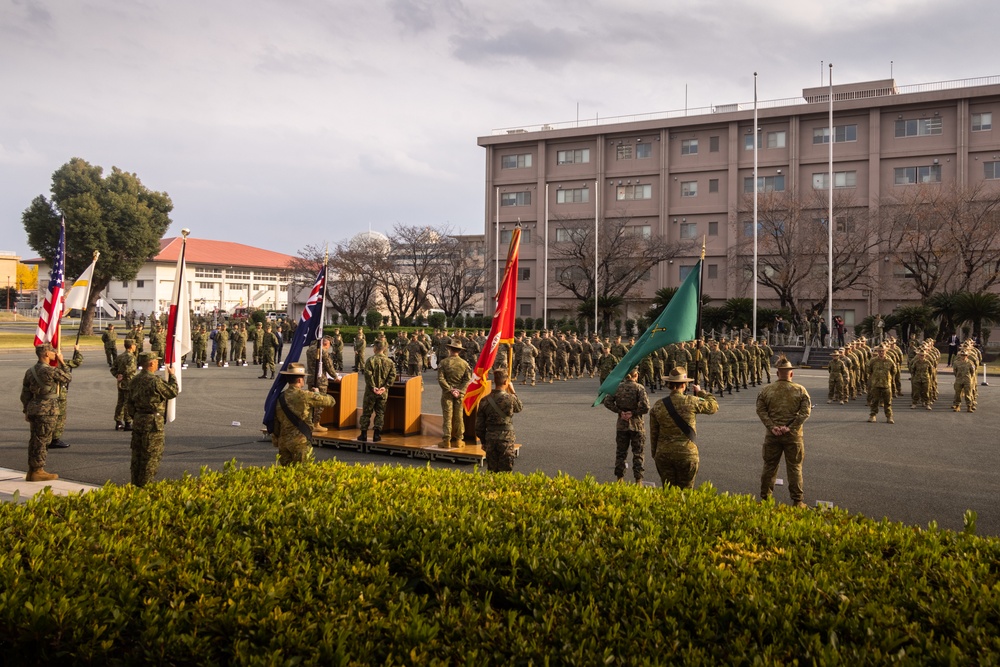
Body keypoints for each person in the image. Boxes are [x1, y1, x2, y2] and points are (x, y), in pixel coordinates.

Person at [649, 367, 718, 489]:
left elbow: (654, 433)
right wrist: (701, 392)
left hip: (664, 453)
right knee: (686, 492)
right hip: (686, 453)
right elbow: (713, 407)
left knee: (668, 492)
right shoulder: (691, 401)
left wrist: (655, 452)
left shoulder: (658, 405)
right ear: (684, 385)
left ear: (669, 384)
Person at [756, 357, 812, 507]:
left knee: (769, 466)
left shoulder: (766, 390)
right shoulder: (800, 390)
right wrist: (790, 427)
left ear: (777, 373)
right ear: (791, 373)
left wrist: (772, 426)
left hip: (772, 435)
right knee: (794, 467)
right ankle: (797, 500)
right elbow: (805, 412)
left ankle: (765, 499)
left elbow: (761, 411)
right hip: (793, 436)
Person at [125, 351, 178, 487]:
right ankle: (145, 487)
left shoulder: (134, 380)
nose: (157, 363)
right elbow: (172, 391)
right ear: (151, 363)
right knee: (151, 458)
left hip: (138, 420)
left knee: (137, 456)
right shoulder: (154, 381)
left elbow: (129, 403)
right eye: (156, 361)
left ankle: (134, 485)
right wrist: (172, 376)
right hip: (153, 423)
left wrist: (136, 416)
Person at [20, 343, 73, 482]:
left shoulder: (30, 371)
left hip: (34, 408)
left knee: (35, 439)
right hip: (47, 410)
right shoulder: (49, 371)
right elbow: (67, 377)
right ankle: (38, 470)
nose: (54, 353)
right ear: (46, 354)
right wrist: (62, 362)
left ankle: (32, 470)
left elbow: (25, 393)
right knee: (43, 441)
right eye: (52, 352)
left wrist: (26, 409)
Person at [271, 362, 336, 466]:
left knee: (286, 475)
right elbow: (331, 401)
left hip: (283, 442)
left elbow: (275, 421)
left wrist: (276, 439)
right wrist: (317, 393)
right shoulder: (305, 395)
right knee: (302, 474)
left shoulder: (280, 397)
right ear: (300, 380)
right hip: (300, 442)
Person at [603, 367, 650, 484]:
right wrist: (633, 413)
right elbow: (646, 407)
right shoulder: (639, 388)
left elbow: (607, 401)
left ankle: (620, 480)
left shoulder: (617, 387)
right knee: (638, 453)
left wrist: (620, 412)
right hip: (637, 425)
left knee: (621, 453)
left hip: (622, 425)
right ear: (636, 375)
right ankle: (638, 481)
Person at [475, 368, 522, 473]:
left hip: (490, 439)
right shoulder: (510, 398)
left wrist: (483, 441)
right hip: (506, 439)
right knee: (505, 472)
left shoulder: (484, 400)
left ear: (494, 381)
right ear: (506, 382)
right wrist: (513, 392)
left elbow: (479, 426)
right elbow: (519, 408)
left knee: (491, 470)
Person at [358, 340, 396, 443]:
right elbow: (392, 376)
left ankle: (364, 434)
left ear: (375, 348)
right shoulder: (390, 362)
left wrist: (373, 387)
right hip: (383, 392)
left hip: (371, 392)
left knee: (366, 412)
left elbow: (367, 375)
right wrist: (385, 387)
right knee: (380, 413)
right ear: (384, 349)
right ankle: (377, 435)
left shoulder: (370, 360)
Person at [437, 338, 473, 448]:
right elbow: (467, 380)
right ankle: (458, 440)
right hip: (459, 394)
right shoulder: (464, 364)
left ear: (450, 349)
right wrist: (459, 390)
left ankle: (447, 440)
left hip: (447, 393)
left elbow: (441, 379)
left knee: (447, 416)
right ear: (460, 351)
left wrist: (450, 389)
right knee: (459, 416)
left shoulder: (443, 362)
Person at [48, 343, 83, 449]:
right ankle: (54, 439)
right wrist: (63, 360)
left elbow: (77, 362)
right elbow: (69, 374)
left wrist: (76, 351)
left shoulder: (44, 365)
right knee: (59, 417)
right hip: (56, 395)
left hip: (49, 396)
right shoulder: (59, 364)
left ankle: (49, 438)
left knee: (50, 418)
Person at [305, 337, 340, 434]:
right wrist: (335, 376)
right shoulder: (323, 352)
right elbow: (329, 366)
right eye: (329, 345)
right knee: (319, 402)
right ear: (326, 344)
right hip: (321, 381)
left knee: (311, 401)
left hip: (311, 379)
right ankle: (316, 424)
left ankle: (310, 422)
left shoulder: (310, 349)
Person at [111, 338, 138, 431]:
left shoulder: (120, 356)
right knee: (128, 403)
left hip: (121, 382)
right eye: (134, 345)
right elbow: (130, 370)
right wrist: (124, 375)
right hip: (129, 382)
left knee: (120, 402)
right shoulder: (131, 357)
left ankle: (118, 422)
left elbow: (113, 368)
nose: (135, 347)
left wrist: (118, 375)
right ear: (131, 346)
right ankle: (127, 423)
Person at [867, 345, 897, 423]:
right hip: (875, 384)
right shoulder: (873, 361)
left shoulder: (890, 361)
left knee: (888, 402)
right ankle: (872, 416)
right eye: (879, 351)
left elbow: (894, 371)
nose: (881, 352)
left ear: (885, 351)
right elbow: (869, 370)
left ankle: (889, 417)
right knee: (875, 401)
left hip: (886, 384)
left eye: (883, 351)